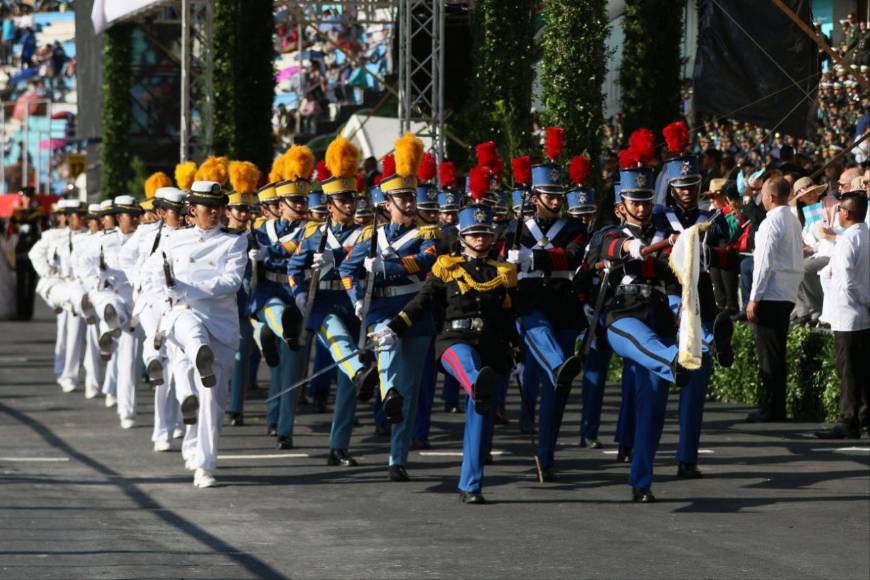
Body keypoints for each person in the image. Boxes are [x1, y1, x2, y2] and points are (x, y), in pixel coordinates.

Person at [373, 204, 519, 504]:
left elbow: (507, 318)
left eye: (485, 234)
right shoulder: (447, 267)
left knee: (481, 409)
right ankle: (477, 382)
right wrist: (395, 327)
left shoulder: (502, 272)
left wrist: (516, 351)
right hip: (454, 340)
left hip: (490, 345)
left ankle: (471, 485)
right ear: (462, 237)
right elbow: (422, 301)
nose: (480, 240)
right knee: (473, 375)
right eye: (474, 234)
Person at [339, 132, 438, 482]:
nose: (409, 204)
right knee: (388, 366)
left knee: (409, 390)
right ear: (386, 203)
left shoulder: (429, 233)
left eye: (411, 197)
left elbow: (426, 263)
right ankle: (388, 397)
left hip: (415, 311)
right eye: (401, 198)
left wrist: (386, 267)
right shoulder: (369, 236)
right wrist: (354, 301)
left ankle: (398, 458)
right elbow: (346, 270)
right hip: (380, 312)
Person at [288, 136, 378, 466]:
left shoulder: (368, 233)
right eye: (343, 199)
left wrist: (345, 260)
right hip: (323, 304)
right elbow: (293, 269)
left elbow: (366, 267)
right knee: (340, 343)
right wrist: (301, 295)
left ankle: (338, 446)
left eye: (352, 197)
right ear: (329, 204)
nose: (350, 204)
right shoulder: (313, 234)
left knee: (346, 383)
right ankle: (358, 371)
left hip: (353, 304)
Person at [150, 180, 247, 488]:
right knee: (189, 328)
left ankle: (202, 460)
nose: (217, 213)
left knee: (211, 400)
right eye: (210, 208)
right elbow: (154, 275)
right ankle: (197, 352)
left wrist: (188, 287)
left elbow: (230, 282)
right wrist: (162, 302)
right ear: (192, 210)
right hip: (182, 315)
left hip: (218, 323)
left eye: (220, 207)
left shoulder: (234, 241)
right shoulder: (174, 240)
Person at [503, 130, 586, 482]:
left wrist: (531, 257)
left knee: (558, 388)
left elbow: (570, 257)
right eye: (548, 195)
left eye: (558, 194)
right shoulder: (514, 228)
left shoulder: (575, 227)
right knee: (543, 367)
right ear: (534, 196)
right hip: (529, 305)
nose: (554, 201)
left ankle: (546, 454)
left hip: (563, 306)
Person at [746, 176, 804, 422]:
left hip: (770, 294)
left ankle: (771, 407)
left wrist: (753, 298)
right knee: (776, 352)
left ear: (770, 197)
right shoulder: (792, 220)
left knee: (769, 355)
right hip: (788, 292)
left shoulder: (771, 223)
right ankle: (776, 405)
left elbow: (763, 265)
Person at [815, 192, 870, 439]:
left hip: (849, 313)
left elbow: (847, 279)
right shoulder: (865, 234)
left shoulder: (849, 239)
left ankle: (849, 421)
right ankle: (862, 418)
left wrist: (864, 299)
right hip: (860, 312)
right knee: (862, 370)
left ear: (846, 213)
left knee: (848, 371)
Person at [10, 186, 44, 321]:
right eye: (25, 197)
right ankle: (20, 311)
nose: (27, 199)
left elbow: (44, 228)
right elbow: (10, 230)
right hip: (21, 248)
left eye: (29, 197)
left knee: (30, 281)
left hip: (34, 250)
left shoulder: (39, 213)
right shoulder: (16, 213)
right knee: (20, 281)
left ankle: (28, 312)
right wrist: (17, 230)